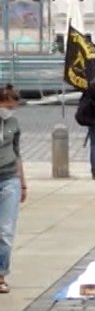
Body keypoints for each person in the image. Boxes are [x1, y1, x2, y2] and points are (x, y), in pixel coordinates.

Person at [0, 85, 23, 293]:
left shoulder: (13, 123)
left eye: (13, 106)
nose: (9, 110)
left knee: (5, 231)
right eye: (7, 106)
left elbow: (17, 152)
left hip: (8, 178)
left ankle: (1, 275)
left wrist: (22, 181)